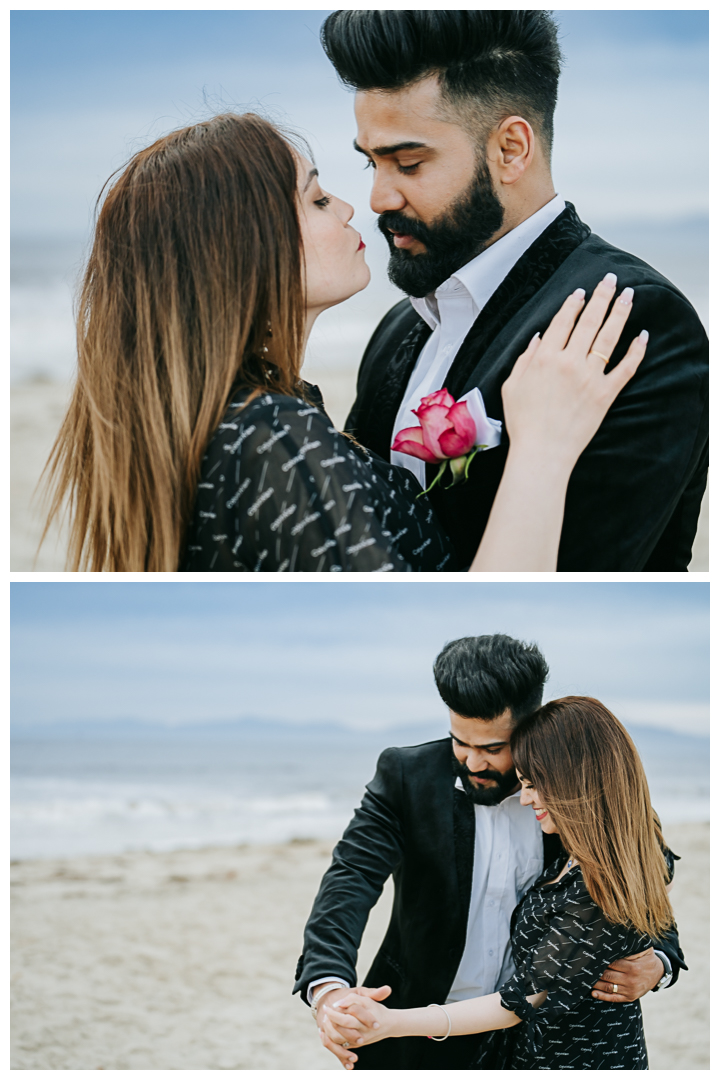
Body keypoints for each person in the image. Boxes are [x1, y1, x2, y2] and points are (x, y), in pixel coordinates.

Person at [41, 112, 646, 572]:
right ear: (246, 250)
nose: (357, 206)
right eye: (317, 199)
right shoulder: (271, 437)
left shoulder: (237, 421)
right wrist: (542, 448)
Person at [320, 10, 709, 571]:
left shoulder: (632, 318)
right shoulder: (399, 328)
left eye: (408, 163)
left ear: (510, 150)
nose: (380, 198)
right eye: (371, 164)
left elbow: (584, 579)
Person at [294, 635, 684, 1070]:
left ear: (532, 731)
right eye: (460, 741)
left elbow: (637, 874)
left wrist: (659, 962)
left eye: (493, 749)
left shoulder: (578, 790)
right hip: (411, 1020)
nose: (472, 761)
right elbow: (352, 875)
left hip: (529, 1036)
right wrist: (329, 990)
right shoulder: (406, 775)